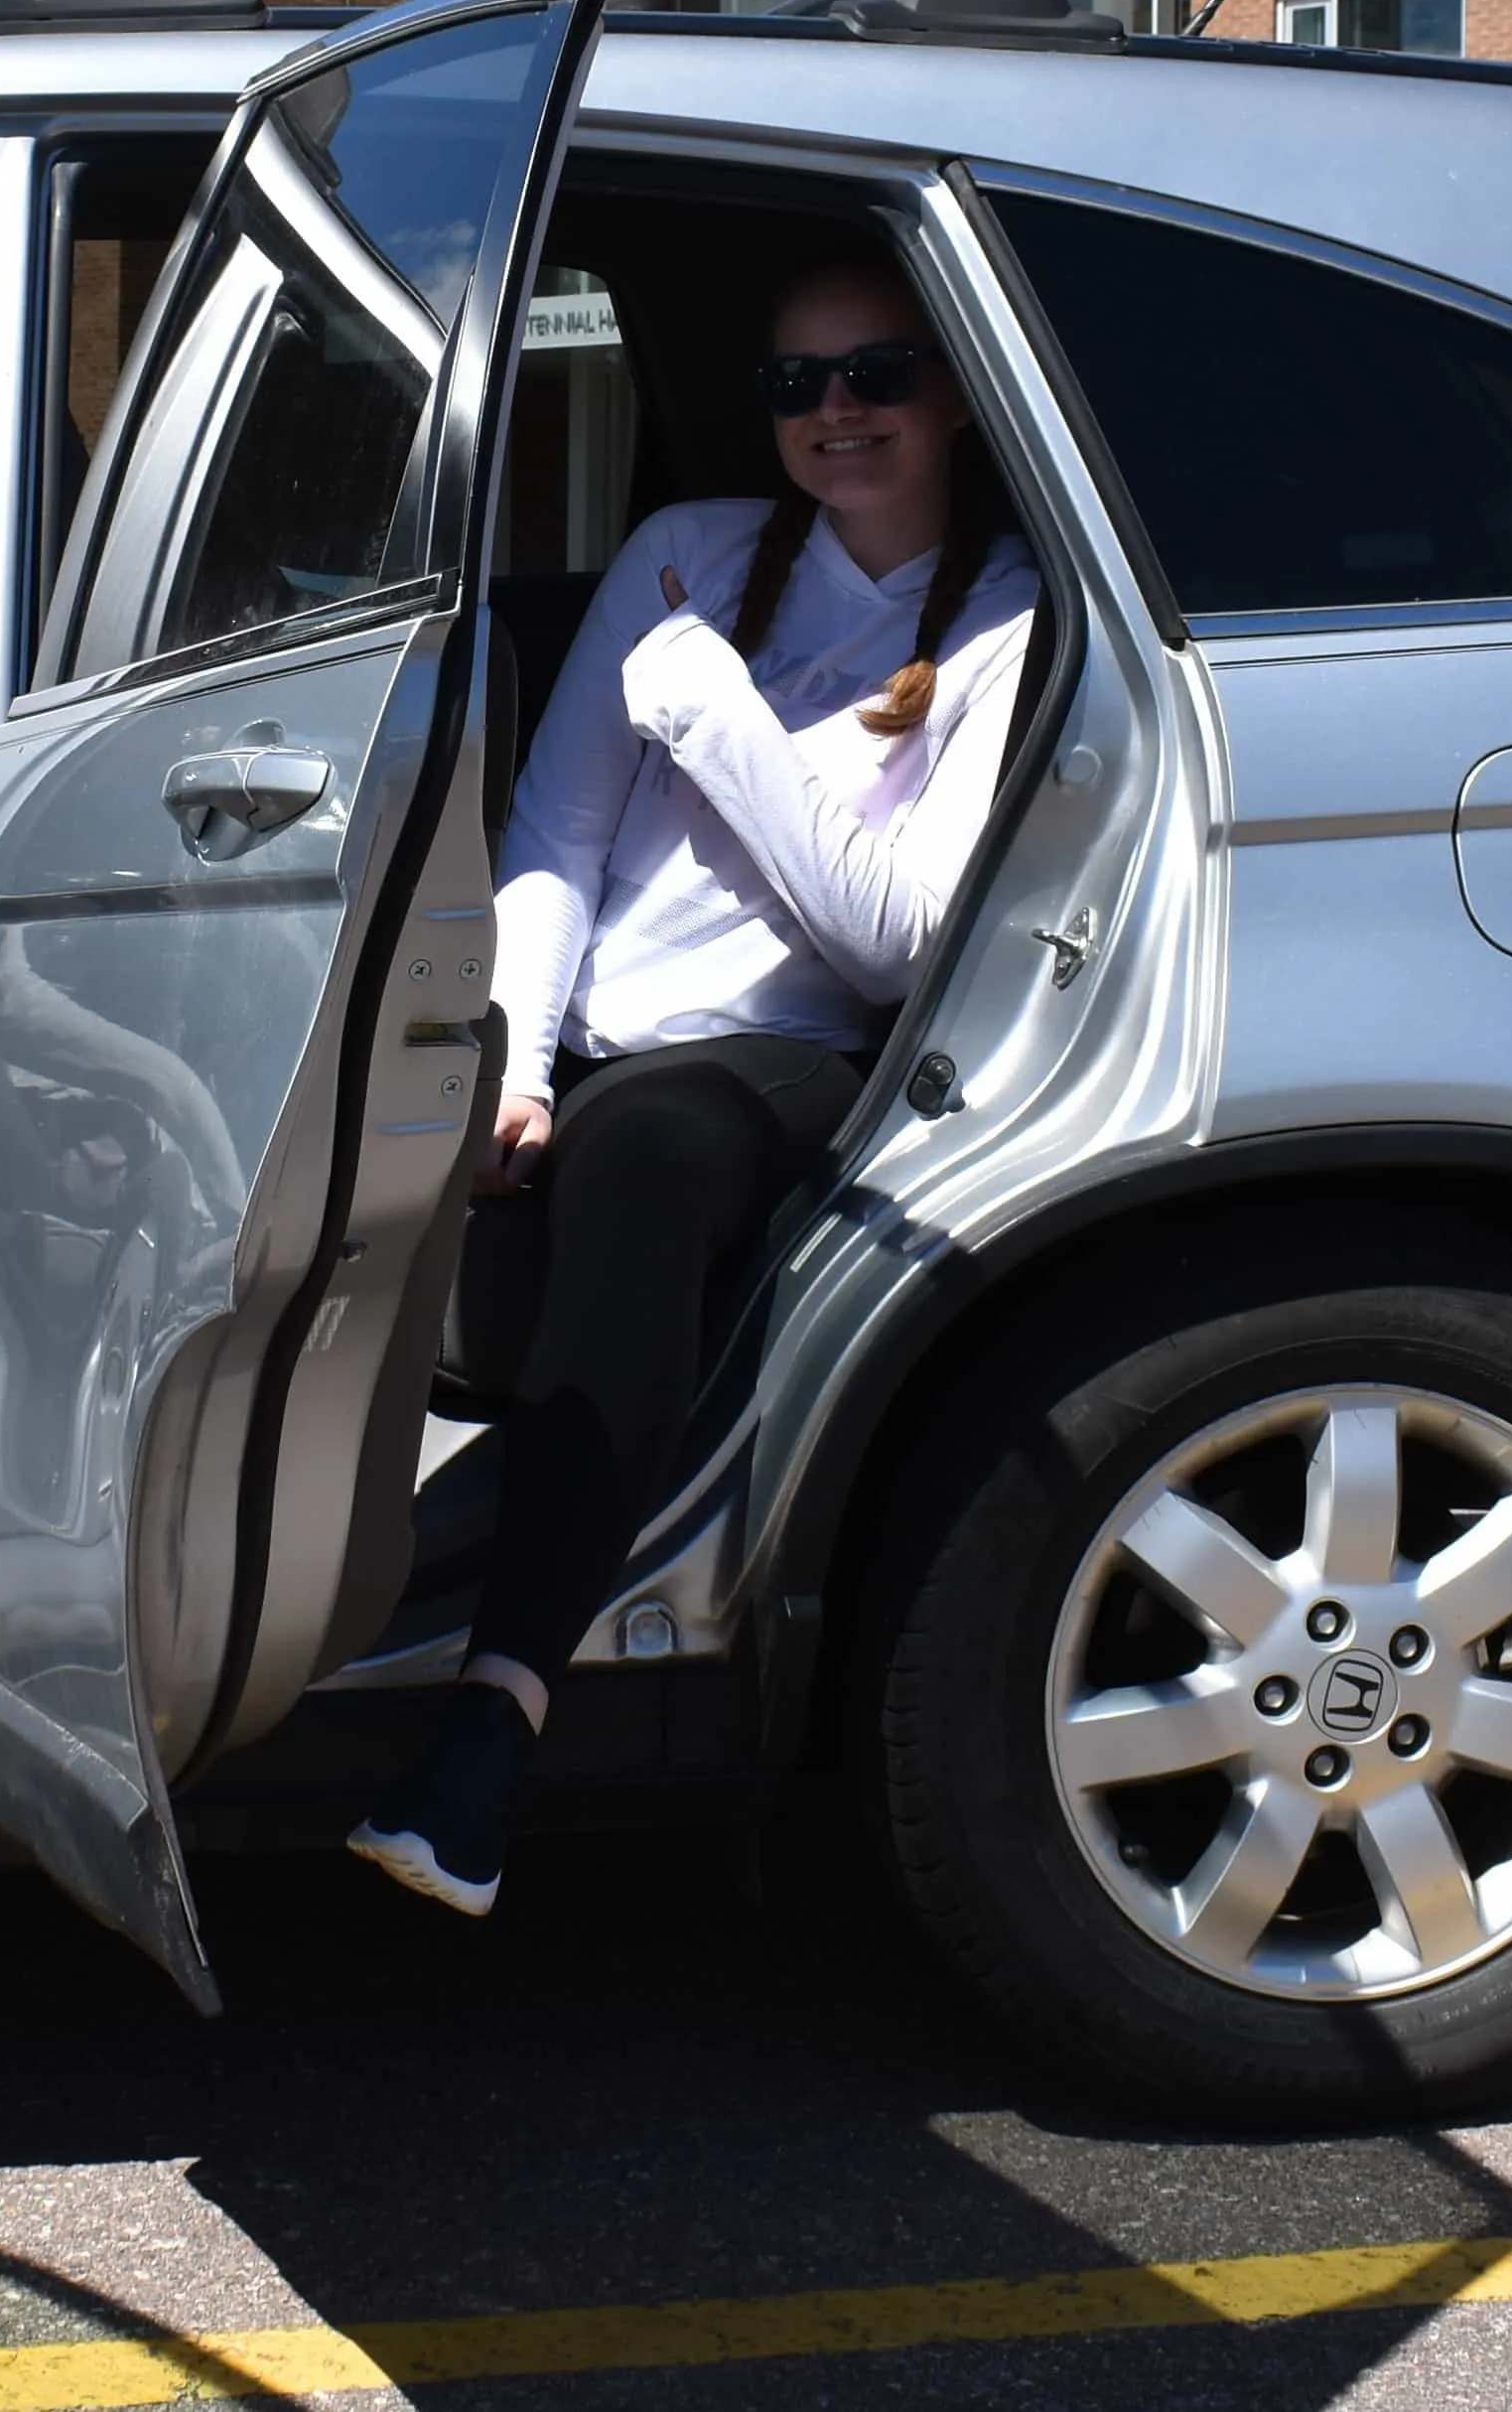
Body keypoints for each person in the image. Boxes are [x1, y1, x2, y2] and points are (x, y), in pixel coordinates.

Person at [345, 239, 1044, 1913]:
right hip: (592, 1036)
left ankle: (494, 1715)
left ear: (950, 391)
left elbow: (886, 945)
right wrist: (505, 1050)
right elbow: (559, 832)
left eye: (876, 374)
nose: (838, 414)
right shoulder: (689, 551)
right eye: (798, 385)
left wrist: (725, 718)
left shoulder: (1012, 610)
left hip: (790, 1060)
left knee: (650, 1151)